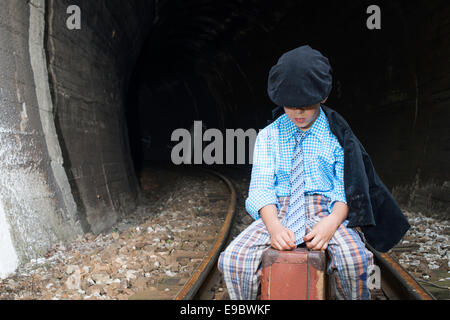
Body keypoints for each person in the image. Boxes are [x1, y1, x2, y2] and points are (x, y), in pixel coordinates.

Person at [217, 45, 409, 300]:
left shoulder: (337, 137)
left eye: (306, 105)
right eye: (290, 105)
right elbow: (261, 188)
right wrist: (274, 227)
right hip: (280, 209)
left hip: (328, 209)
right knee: (234, 259)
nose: (298, 112)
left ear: (323, 97)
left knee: (355, 259)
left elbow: (346, 188)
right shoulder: (268, 136)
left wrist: (331, 224)